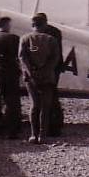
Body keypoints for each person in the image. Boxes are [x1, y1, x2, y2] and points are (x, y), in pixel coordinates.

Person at [19, 13, 61, 144]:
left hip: (30, 79)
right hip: (47, 78)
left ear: (32, 25)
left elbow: (22, 57)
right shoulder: (51, 39)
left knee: (34, 105)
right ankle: (42, 135)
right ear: (45, 24)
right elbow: (55, 58)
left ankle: (33, 135)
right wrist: (45, 71)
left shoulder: (24, 39)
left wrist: (31, 72)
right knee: (45, 106)